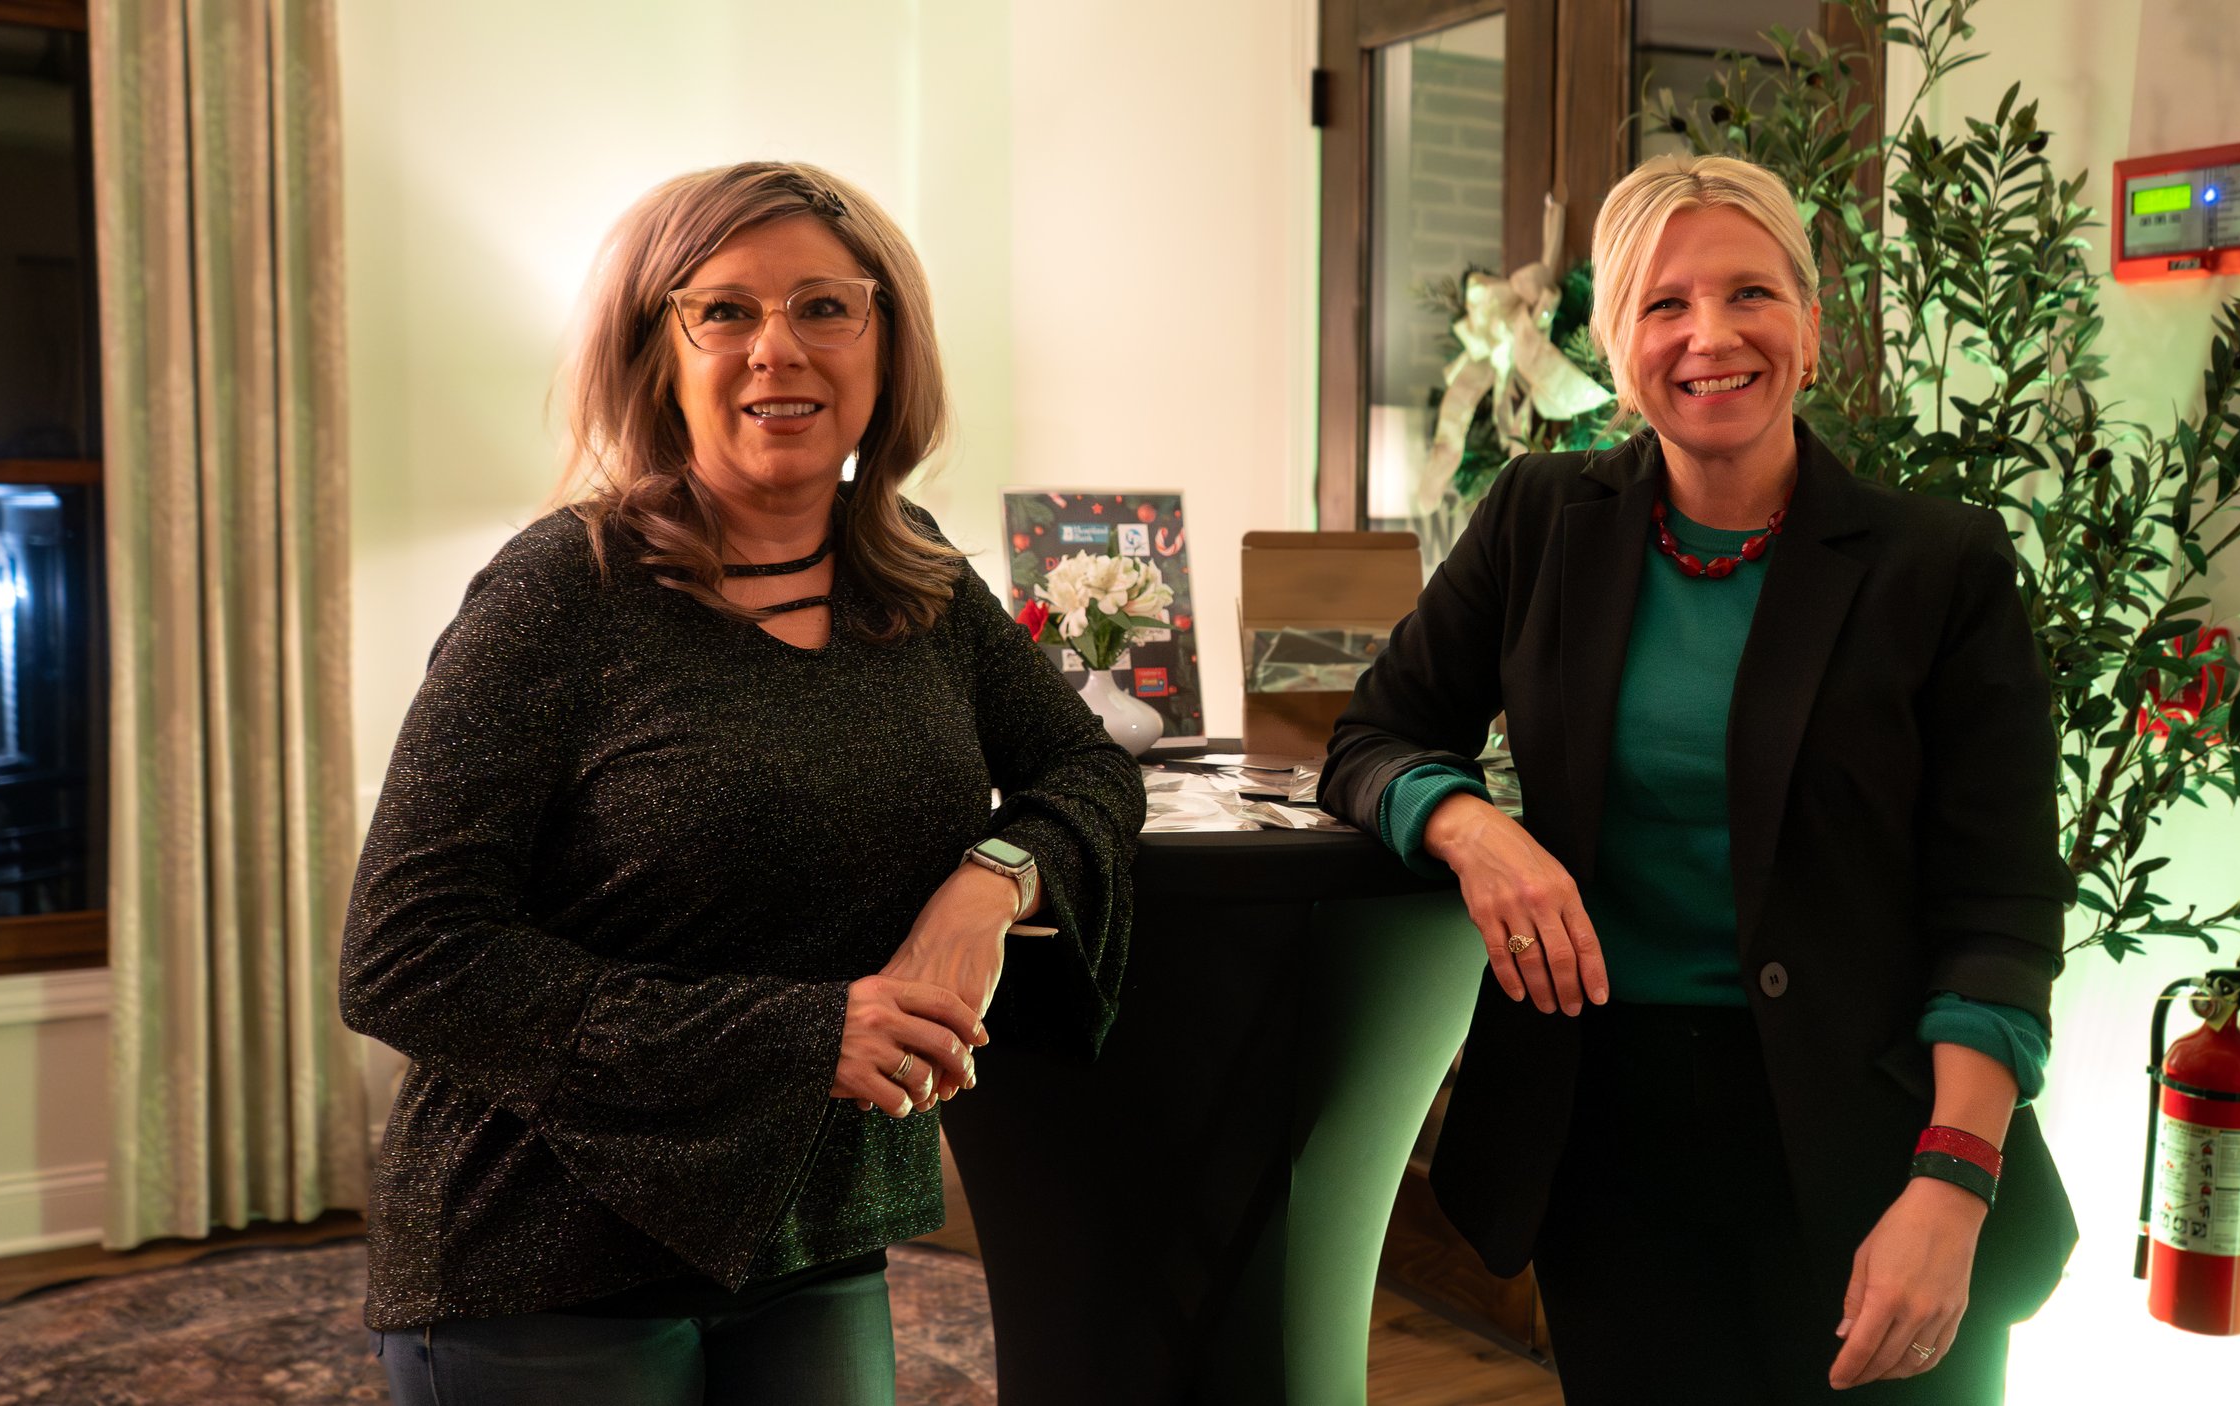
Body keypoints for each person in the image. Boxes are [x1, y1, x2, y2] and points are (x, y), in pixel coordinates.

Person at [341, 161, 1144, 1404]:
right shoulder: (561, 592)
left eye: (826, 306)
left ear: (885, 344)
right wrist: (804, 1032)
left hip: (811, 1228)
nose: (779, 349)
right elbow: (403, 954)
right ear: (657, 350)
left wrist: (989, 882)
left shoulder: (915, 577)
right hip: (543, 1247)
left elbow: (1084, 764)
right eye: (723, 310)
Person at [1320, 152, 2076, 1403]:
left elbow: (1998, 906)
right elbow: (1373, 739)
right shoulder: (1539, 517)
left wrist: (1951, 1184)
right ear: (1618, 345)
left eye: (1749, 294)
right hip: (1606, 1148)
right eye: (1663, 304)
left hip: (1877, 1134)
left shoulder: (1934, 565)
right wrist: (1469, 826)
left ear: (1810, 326)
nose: (1708, 335)